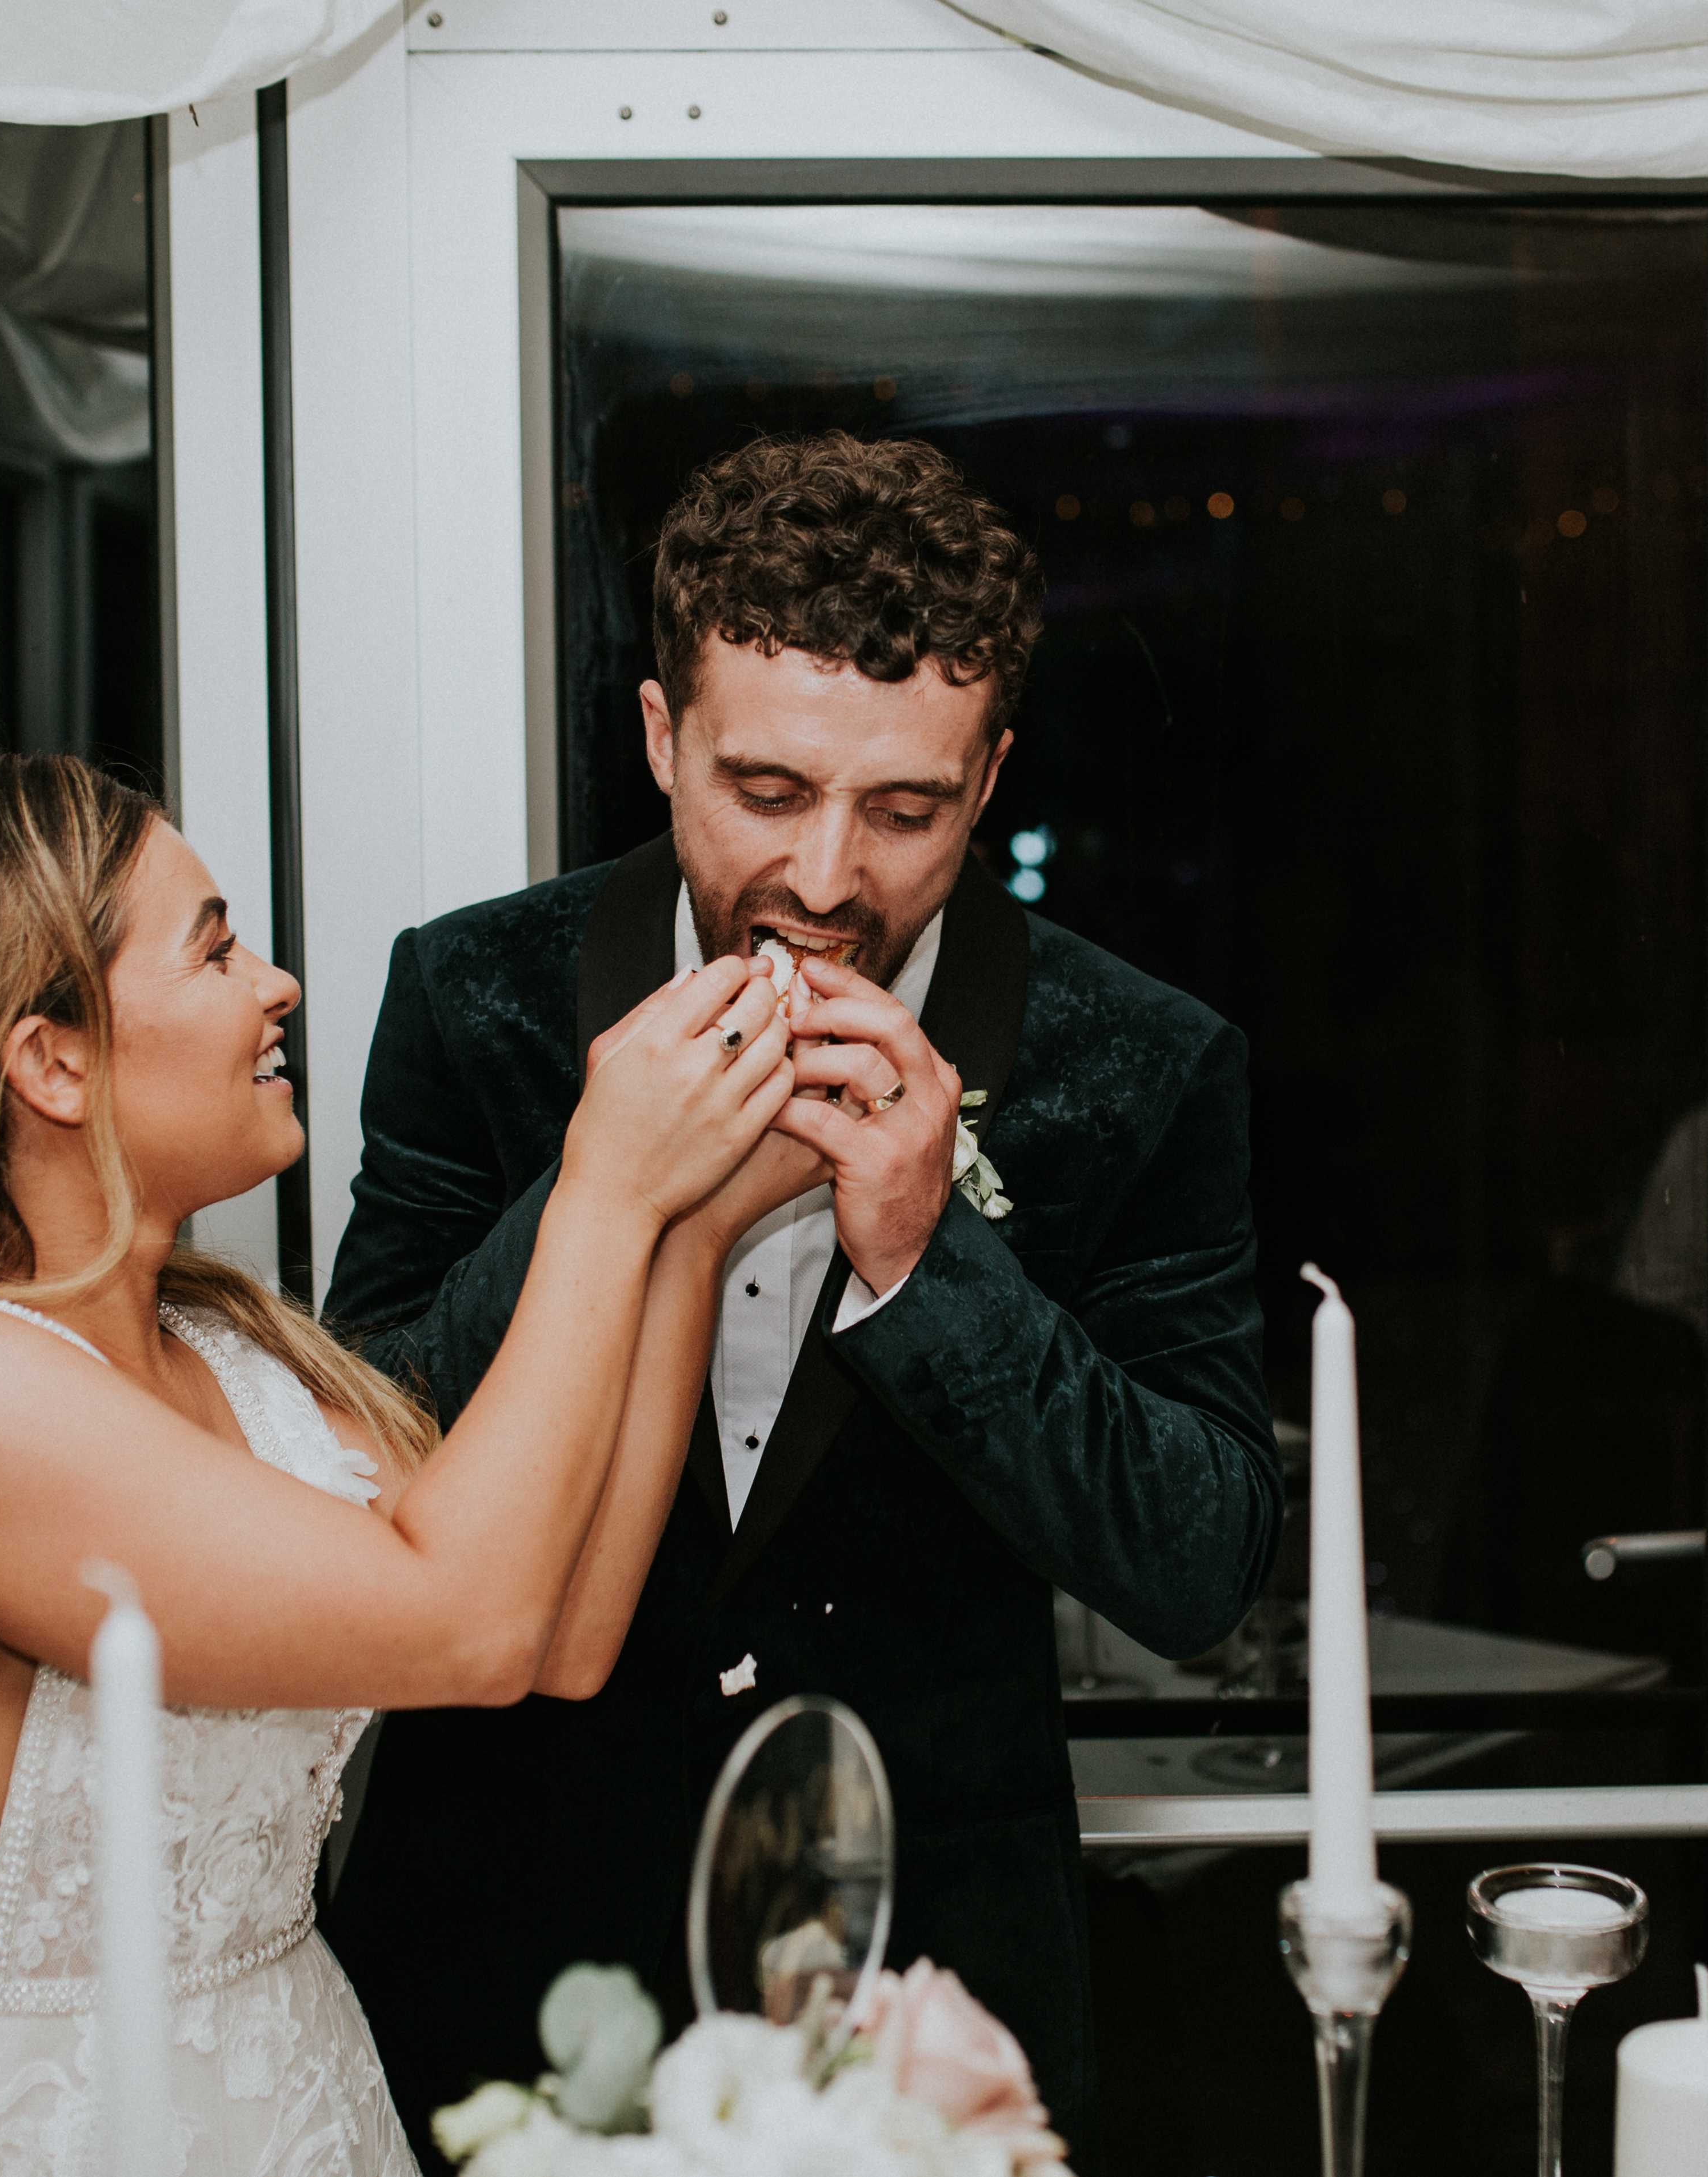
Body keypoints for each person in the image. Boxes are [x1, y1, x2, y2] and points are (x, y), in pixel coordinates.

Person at [0, 751, 816, 2174]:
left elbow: (555, 1632)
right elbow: (466, 1622)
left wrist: (693, 1220)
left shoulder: (229, 1355)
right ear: (49, 1059)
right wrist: (605, 1187)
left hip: (295, 2099)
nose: (277, 984)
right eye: (216, 947)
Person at [321, 433, 1282, 2160]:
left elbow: (1197, 1561)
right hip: (505, 1934)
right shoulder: (473, 999)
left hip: (929, 1989)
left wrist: (931, 1257)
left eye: (905, 810)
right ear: (657, 740)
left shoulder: (1139, 1064)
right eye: (765, 792)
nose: (829, 879)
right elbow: (352, 1460)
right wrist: (608, 1180)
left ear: (987, 780)